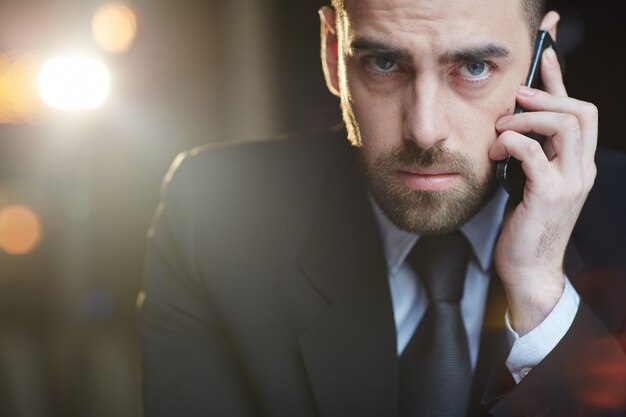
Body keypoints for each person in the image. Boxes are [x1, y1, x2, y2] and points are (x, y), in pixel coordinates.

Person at [138, 0, 626, 416]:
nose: (424, 128)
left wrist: (540, 291)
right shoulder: (211, 213)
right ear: (333, 54)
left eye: (474, 68)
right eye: (384, 64)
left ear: (544, 59)